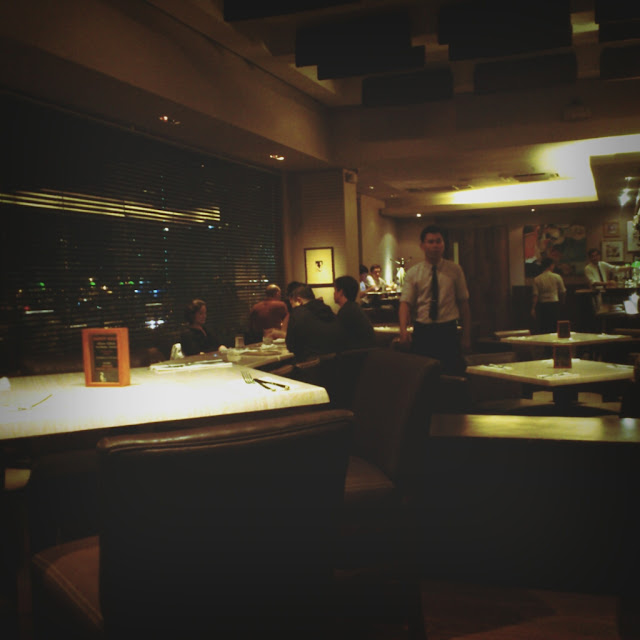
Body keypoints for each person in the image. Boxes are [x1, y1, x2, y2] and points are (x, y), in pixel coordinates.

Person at [399, 224, 471, 376]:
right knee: (424, 376)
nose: (435, 246)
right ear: (422, 246)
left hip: (447, 330)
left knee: (451, 374)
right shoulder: (413, 273)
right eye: (430, 242)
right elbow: (405, 303)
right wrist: (403, 331)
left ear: (443, 244)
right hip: (423, 331)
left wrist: (466, 335)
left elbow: (463, 302)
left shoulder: (455, 270)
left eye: (438, 241)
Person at [285, 283, 344, 362]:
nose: (292, 307)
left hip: (309, 365)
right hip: (336, 363)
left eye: (292, 304)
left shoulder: (298, 312)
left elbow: (291, 346)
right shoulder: (328, 310)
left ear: (299, 301)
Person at [333, 275, 375, 350]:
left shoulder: (346, 311)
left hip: (357, 353)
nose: (334, 293)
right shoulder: (353, 307)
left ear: (341, 292)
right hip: (365, 350)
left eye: (335, 290)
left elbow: (338, 336)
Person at [531, 257, 566, 334]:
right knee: (554, 327)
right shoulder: (557, 277)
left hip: (542, 305)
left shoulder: (537, 279)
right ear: (551, 265)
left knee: (544, 327)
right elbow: (563, 292)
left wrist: (533, 308)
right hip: (554, 303)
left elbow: (535, 295)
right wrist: (562, 302)